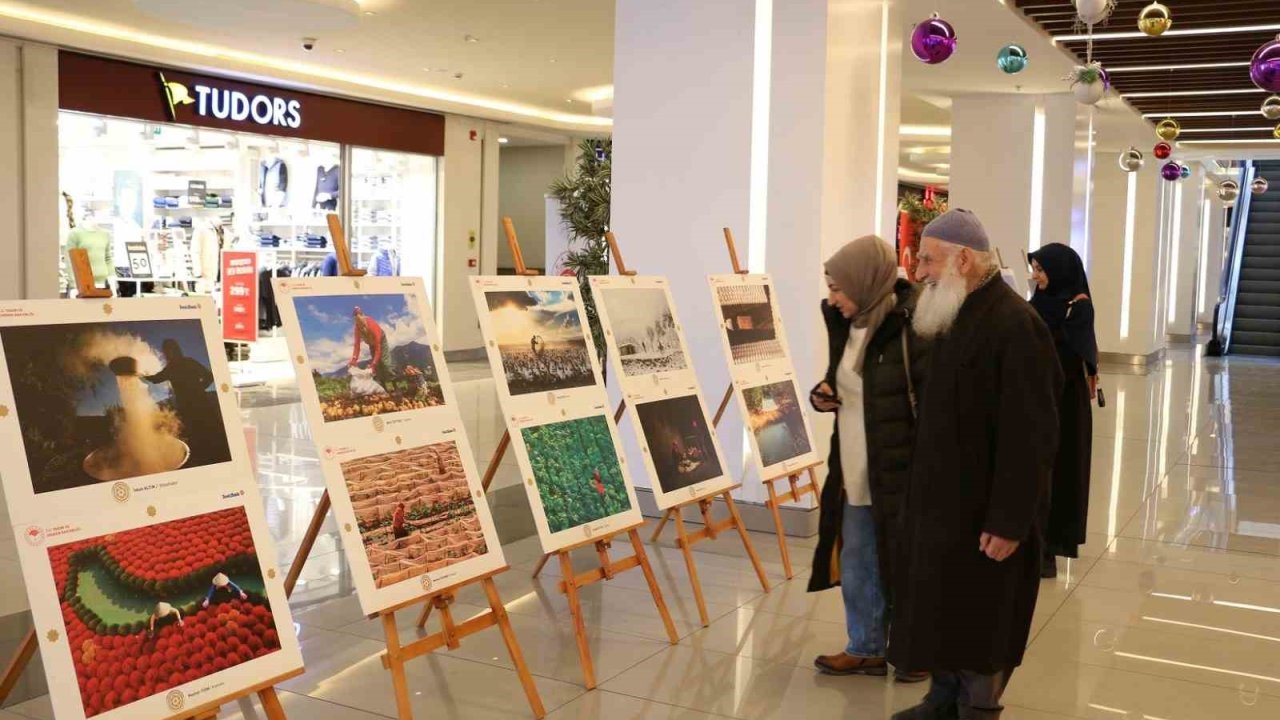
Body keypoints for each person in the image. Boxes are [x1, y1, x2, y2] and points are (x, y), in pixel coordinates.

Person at [890, 210, 1062, 720]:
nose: (918, 270)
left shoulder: (1015, 325)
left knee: (984, 618)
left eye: (927, 258)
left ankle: (977, 709)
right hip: (944, 507)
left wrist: (1009, 521)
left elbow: (1032, 437)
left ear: (963, 260)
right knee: (943, 608)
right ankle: (943, 699)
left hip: (989, 513)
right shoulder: (955, 311)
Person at [807, 235, 931, 683]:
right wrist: (823, 394)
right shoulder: (846, 324)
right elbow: (842, 381)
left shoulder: (912, 323)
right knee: (858, 559)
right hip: (854, 466)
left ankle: (914, 651)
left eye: (838, 287)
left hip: (899, 468)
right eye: (829, 286)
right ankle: (865, 647)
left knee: (904, 560)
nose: (831, 297)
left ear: (864, 280)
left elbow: (929, 400)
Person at [1028, 243, 1098, 578]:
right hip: (1039, 398)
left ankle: (1049, 549)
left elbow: (1072, 355)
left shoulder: (1079, 307)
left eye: (1041, 270)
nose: (1036, 276)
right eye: (1035, 269)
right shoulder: (1038, 302)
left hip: (1065, 406)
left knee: (1060, 472)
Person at [145, 338, 216, 459]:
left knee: (208, 431)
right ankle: (204, 458)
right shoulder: (172, 367)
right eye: (167, 350)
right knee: (197, 434)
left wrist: (199, 389)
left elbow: (209, 376)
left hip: (200, 404)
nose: (168, 352)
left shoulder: (186, 363)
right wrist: (140, 374)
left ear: (175, 349)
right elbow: (156, 379)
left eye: (170, 349)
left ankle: (212, 457)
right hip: (189, 406)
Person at [350, 306, 393, 387]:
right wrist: (354, 359)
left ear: (363, 316)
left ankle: (395, 384)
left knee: (385, 362)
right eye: (356, 321)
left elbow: (378, 347)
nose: (360, 325)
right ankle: (383, 387)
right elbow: (357, 345)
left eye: (360, 320)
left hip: (380, 341)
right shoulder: (357, 329)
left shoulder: (371, 323)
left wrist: (374, 362)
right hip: (371, 343)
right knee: (376, 367)